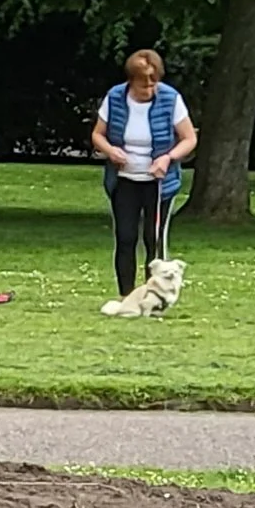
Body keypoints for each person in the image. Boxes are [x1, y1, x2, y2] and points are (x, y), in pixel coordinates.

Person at [90, 46, 196, 315]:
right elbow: (97, 135)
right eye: (143, 84)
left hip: (159, 183)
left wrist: (168, 158)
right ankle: (127, 297)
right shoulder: (115, 97)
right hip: (124, 180)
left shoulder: (171, 99)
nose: (149, 89)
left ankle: (156, 299)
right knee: (126, 237)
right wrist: (111, 150)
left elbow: (189, 138)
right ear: (131, 81)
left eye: (153, 83)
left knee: (154, 239)